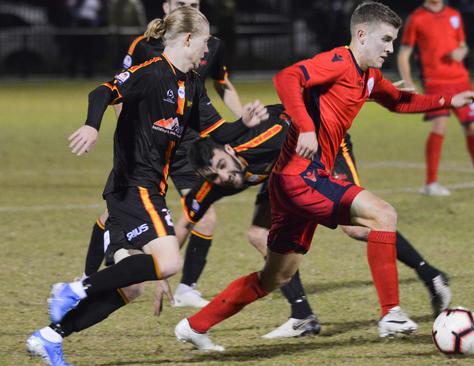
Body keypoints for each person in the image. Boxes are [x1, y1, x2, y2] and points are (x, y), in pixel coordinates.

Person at [173, 1, 474, 350]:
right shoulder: (339, 61)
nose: (390, 48)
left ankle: (195, 325)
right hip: (301, 176)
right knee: (382, 214)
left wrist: (450, 100)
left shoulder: (368, 77)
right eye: (385, 40)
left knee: (275, 276)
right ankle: (391, 313)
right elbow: (287, 77)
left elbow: (399, 101)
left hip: (291, 183)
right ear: (361, 34)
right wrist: (306, 128)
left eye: (393, 41)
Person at [26, 8, 268, 366]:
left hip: (142, 189)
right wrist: (92, 126)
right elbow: (102, 91)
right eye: (204, 41)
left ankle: (48, 337)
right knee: (168, 260)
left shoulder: (193, 83)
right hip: (134, 185)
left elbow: (215, 134)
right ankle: (73, 289)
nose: (208, 49)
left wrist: (244, 123)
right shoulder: (152, 72)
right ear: (187, 39)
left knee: (129, 286)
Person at [174, 115, 451, 340]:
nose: (224, 176)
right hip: (284, 176)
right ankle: (302, 316)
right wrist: (162, 271)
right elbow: (186, 222)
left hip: (325, 146)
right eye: (214, 175)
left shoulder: (263, 138)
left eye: (223, 165)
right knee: (259, 235)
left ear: (230, 150)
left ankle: (430, 277)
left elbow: (307, 115)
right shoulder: (211, 187)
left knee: (357, 226)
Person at [80, 0, 244, 309]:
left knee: (203, 217)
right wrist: (126, 132)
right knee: (119, 218)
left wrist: (249, 123)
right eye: (183, 3)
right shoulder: (146, 50)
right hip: (144, 157)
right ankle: (85, 280)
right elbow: (112, 92)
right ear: (167, 6)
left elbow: (221, 91)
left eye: (194, 3)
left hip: (185, 149)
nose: (190, 7)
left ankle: (185, 286)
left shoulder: (206, 49)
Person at [397, 0, 474, 196]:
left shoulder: (454, 15)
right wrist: (408, 82)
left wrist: (461, 52)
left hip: (461, 81)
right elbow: (404, 54)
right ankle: (430, 184)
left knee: (472, 127)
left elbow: (462, 45)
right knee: (439, 126)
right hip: (435, 82)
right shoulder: (417, 18)